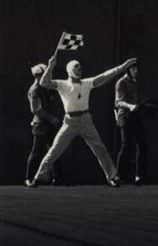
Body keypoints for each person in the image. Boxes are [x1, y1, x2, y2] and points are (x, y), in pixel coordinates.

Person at [28, 55, 136, 187]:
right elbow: (44, 83)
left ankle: (112, 177)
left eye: (80, 67)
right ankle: (39, 176)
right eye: (76, 67)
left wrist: (123, 67)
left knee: (100, 148)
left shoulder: (86, 83)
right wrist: (51, 65)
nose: (79, 69)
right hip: (69, 122)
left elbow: (105, 76)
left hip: (86, 121)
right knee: (55, 150)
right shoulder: (62, 84)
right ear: (69, 70)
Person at [26, 63, 62, 186]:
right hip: (40, 126)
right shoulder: (35, 89)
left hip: (50, 125)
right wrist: (52, 119)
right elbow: (36, 110)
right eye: (44, 74)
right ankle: (29, 178)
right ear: (38, 75)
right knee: (36, 152)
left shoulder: (47, 88)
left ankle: (57, 178)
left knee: (54, 150)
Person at [114, 62, 148, 185]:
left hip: (135, 117)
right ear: (128, 70)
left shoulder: (134, 82)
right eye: (133, 68)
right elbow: (118, 102)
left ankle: (139, 176)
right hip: (125, 117)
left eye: (136, 68)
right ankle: (118, 176)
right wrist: (130, 106)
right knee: (126, 145)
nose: (136, 71)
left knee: (142, 144)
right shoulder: (121, 82)